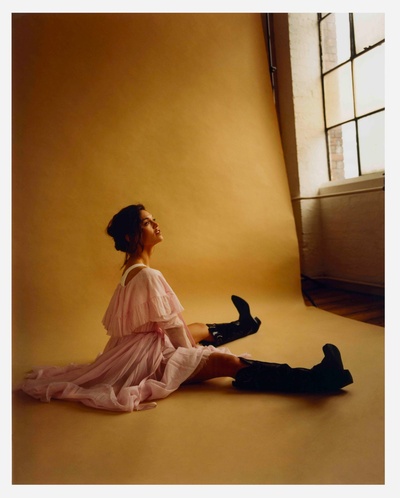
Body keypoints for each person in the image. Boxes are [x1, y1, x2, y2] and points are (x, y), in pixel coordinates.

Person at [20, 204, 353, 412]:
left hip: (137, 348)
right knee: (227, 361)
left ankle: (244, 325)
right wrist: (195, 356)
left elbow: (162, 324)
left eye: (153, 219)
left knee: (193, 328)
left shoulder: (130, 271)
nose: (156, 224)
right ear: (133, 235)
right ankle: (318, 378)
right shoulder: (147, 275)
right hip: (147, 361)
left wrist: (188, 345)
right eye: (148, 222)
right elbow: (173, 331)